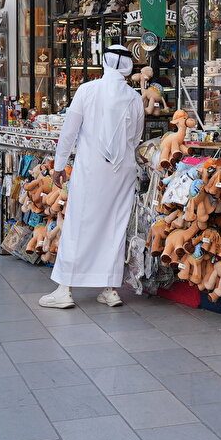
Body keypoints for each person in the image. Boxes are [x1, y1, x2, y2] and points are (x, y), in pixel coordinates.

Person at [39, 45, 144, 309]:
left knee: (78, 224)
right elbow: (135, 139)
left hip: (90, 170)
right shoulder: (134, 97)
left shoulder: (87, 90)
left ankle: (65, 289)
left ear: (105, 62)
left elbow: (69, 132)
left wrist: (59, 165)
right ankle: (109, 289)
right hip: (122, 172)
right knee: (114, 227)